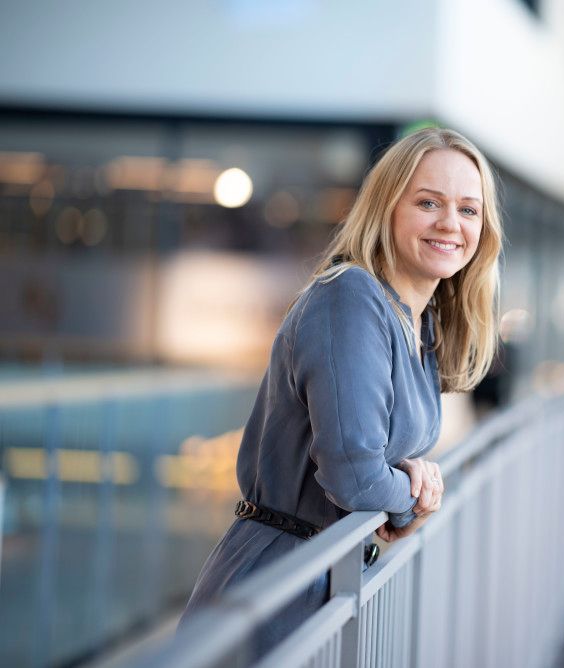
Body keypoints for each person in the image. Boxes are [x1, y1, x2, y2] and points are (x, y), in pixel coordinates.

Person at [177, 127, 503, 658]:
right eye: (429, 202)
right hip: (278, 587)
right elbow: (355, 477)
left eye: (469, 210)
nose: (450, 223)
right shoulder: (351, 298)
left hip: (328, 582)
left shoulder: (418, 326)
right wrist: (415, 497)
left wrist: (402, 488)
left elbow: (376, 466)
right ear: (387, 207)